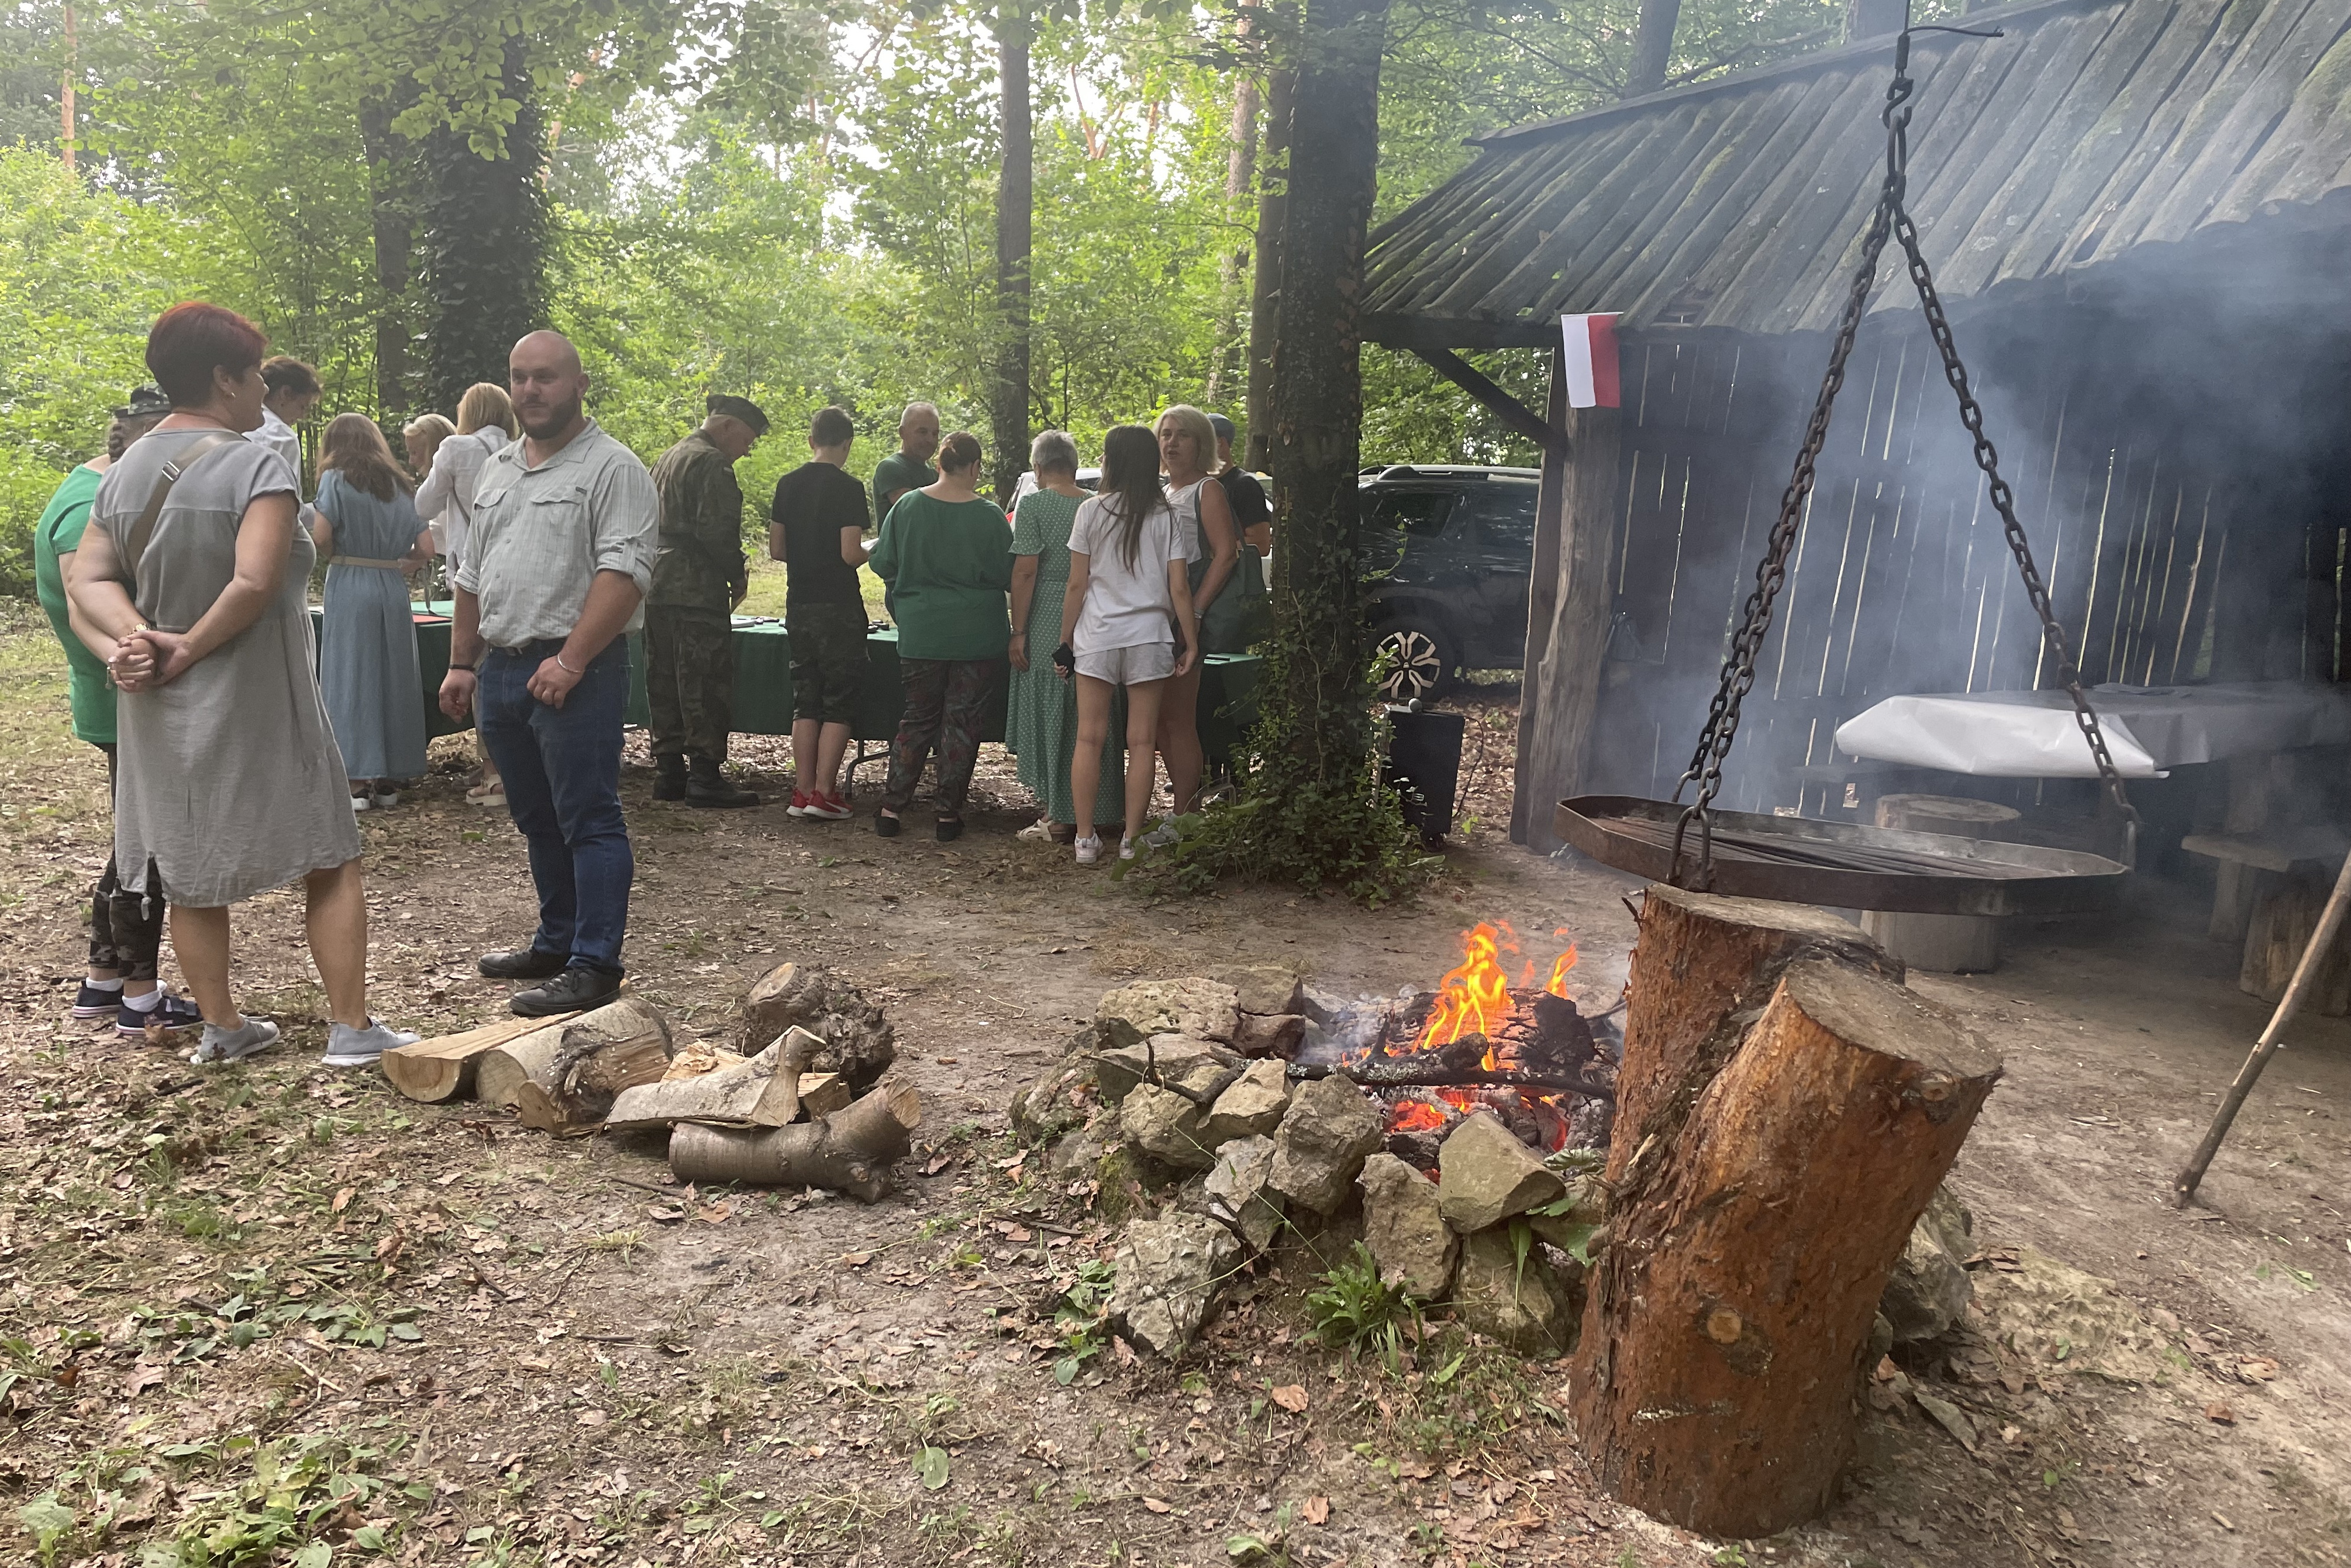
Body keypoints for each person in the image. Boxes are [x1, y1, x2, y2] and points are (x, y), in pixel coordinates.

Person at [66, 303, 413, 1069]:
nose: (262, 384)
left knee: (189, 872)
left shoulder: (126, 468)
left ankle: (224, 1027)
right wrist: (185, 646)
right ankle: (352, 1028)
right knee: (330, 853)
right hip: (263, 693)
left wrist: (139, 639)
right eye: (254, 371)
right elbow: (256, 581)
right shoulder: (257, 461)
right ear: (223, 378)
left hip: (159, 704)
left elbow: (85, 573)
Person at [438, 330, 657, 1018]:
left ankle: (596, 962)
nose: (531, 390)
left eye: (546, 377)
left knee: (589, 816)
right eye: (520, 378)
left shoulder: (614, 469)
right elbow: (471, 574)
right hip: (502, 671)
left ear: (579, 384)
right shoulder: (499, 468)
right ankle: (557, 941)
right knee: (536, 818)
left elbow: (624, 575)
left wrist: (571, 660)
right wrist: (460, 662)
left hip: (576, 670)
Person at [33, 384, 202, 1039]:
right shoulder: (87, 505)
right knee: (147, 848)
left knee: (130, 843)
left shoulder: (102, 488)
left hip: (124, 692)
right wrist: (125, 655)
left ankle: (104, 981)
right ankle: (139, 993)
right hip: (123, 697)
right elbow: (84, 600)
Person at [1056, 425, 1198, 864]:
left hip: (1097, 636)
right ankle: (1131, 841)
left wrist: (1065, 642)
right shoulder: (1167, 515)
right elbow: (1179, 588)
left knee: (1089, 738)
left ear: (1110, 461)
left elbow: (1077, 584)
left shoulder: (1090, 512)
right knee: (1141, 743)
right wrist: (1189, 641)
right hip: (1150, 638)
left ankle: (1084, 838)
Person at [868, 430, 1010, 842]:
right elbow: (1007, 572)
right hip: (976, 634)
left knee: (917, 718)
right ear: (975, 467)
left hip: (922, 631)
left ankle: (892, 806)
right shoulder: (989, 515)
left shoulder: (908, 505)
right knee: (961, 722)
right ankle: (948, 813)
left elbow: (883, 562)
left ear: (939, 464)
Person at [647, 394, 767, 809]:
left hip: (657, 581)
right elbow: (717, 530)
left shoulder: (669, 456)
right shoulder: (713, 463)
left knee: (663, 675)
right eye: (748, 440)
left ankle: (668, 770)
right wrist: (736, 573)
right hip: (696, 585)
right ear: (729, 426)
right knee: (703, 679)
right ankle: (705, 774)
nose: (747, 450)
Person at [1008, 430, 1123, 844]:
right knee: (1091, 710)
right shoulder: (1096, 506)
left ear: (1038, 469)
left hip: (1048, 611)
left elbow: (1025, 570)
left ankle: (1058, 812)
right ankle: (1101, 808)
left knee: (1053, 704)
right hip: (1094, 610)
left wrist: (1018, 630)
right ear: (1074, 466)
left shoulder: (1035, 504)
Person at [313, 412, 432, 809]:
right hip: (391, 587)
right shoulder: (402, 486)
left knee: (351, 675)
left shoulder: (335, 480)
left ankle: (357, 779)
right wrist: (403, 564)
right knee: (393, 674)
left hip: (350, 580)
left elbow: (321, 535)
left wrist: (336, 555)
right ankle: (391, 778)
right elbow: (427, 549)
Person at [416, 383, 520, 809]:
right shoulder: (518, 448)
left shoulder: (456, 447)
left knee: (477, 669)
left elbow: (423, 505)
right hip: (514, 570)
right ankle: (512, 765)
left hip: (472, 572)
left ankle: (496, 771)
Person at [770, 405, 871, 821]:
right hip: (840, 604)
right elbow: (850, 553)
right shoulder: (849, 488)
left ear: (811, 440)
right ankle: (827, 793)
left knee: (805, 696)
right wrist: (873, 549)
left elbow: (777, 550)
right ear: (846, 443)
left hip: (800, 602)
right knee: (839, 698)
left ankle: (803, 788)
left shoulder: (787, 484)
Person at [1152, 404, 1241, 820]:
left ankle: (1186, 816)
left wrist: (1197, 612)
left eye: (1182, 434)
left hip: (1185, 618)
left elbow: (1225, 555)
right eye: (1166, 434)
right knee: (1156, 722)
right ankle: (1181, 811)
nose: (1171, 442)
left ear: (1201, 443)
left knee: (1179, 719)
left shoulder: (1208, 490)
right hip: (1154, 615)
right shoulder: (1161, 491)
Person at [1206, 412, 1272, 553]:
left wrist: (1215, 553)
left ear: (1220, 443)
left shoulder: (1244, 486)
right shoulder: (1201, 486)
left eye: (1201, 441)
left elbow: (1261, 543)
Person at [402, 412, 456, 581]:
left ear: (433, 450)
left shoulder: (445, 495)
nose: (411, 461)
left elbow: (426, 547)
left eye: (415, 453)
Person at [252, 356, 321, 485]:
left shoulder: (237, 422)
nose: (302, 416)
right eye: (302, 406)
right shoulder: (281, 437)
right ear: (286, 393)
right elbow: (288, 498)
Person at [872, 402, 940, 520]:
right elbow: (913, 512)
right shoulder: (890, 467)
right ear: (902, 433)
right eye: (922, 432)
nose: (930, 439)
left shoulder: (934, 475)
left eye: (935, 434)